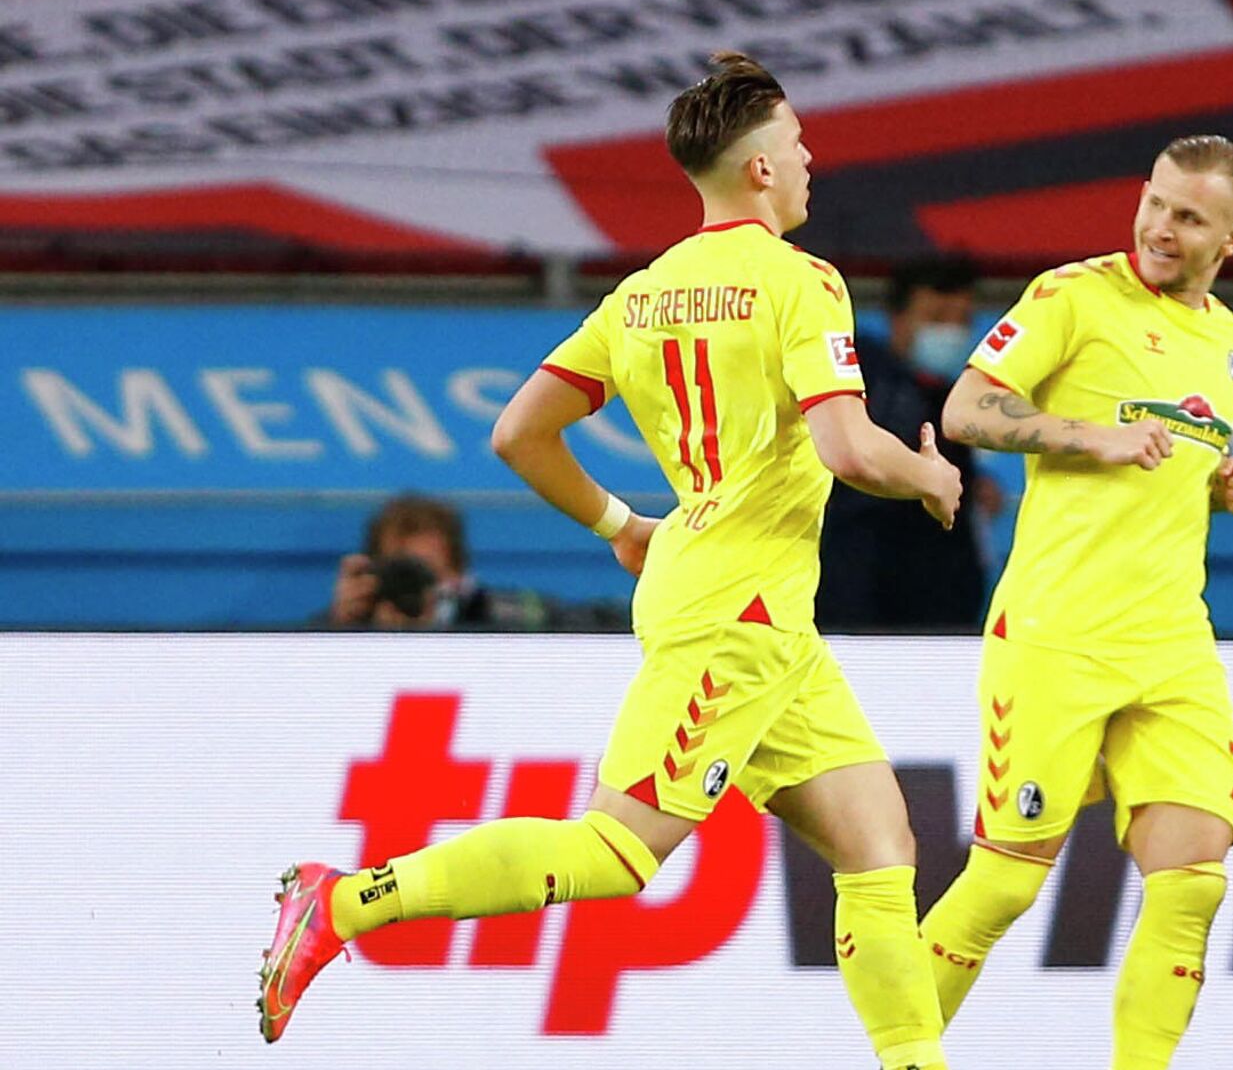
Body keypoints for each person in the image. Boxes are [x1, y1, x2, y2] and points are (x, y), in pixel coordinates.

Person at [258, 52, 963, 1070]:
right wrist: (930, 477)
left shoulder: (643, 294)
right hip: (738, 617)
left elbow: (517, 434)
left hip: (746, 603)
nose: (810, 159)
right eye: (799, 142)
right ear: (760, 167)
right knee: (616, 853)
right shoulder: (800, 281)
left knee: (877, 844)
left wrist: (620, 526)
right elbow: (849, 447)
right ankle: (347, 900)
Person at [917, 135, 1233, 1070]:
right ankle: (896, 1051)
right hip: (1057, 631)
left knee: (1193, 882)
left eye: (1188, 217)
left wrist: (1215, 482)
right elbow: (966, 410)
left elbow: (1165, 453)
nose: (1159, 226)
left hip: (1171, 639)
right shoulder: (1072, 295)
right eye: (1154, 201)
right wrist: (1082, 434)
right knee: (1001, 887)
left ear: (1232, 239)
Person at [817, 256, 1001, 631]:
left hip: (942, 595)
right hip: (862, 590)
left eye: (961, 321)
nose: (951, 332)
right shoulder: (860, 382)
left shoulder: (954, 392)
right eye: (936, 319)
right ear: (897, 320)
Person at [323, 493, 556, 630]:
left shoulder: (499, 618)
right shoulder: (348, 628)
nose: (412, 586)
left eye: (426, 572)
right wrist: (339, 627)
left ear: (458, 576)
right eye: (401, 573)